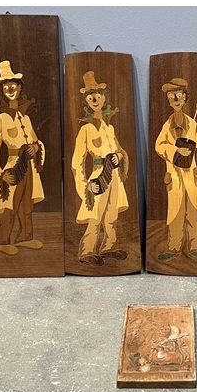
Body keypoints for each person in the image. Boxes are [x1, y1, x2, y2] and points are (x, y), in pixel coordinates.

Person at [0, 60, 45, 255]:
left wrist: (35, 148)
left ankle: (25, 237)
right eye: (6, 87)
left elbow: (36, 141)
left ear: (19, 87)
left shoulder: (25, 118)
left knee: (27, 204)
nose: (10, 90)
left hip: (29, 167)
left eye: (13, 86)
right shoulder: (1, 120)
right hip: (13, 167)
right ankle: (2, 240)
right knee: (10, 204)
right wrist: (0, 175)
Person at [72, 71, 129, 267]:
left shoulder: (109, 129)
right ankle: (87, 250)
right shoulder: (85, 130)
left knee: (111, 215)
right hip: (98, 176)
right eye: (90, 96)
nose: (95, 99)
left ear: (104, 98)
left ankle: (108, 247)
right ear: (86, 101)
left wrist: (118, 157)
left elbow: (120, 151)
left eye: (98, 95)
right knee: (95, 215)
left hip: (114, 176)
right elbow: (77, 162)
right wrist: (85, 187)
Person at [155, 78, 197, 261]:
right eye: (172, 96)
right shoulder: (167, 125)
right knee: (176, 211)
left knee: (193, 210)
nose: (176, 99)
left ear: (185, 98)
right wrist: (175, 150)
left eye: (179, 95)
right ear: (169, 101)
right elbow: (159, 146)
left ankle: (196, 246)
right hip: (174, 176)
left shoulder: (191, 123)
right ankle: (173, 246)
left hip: (191, 175)